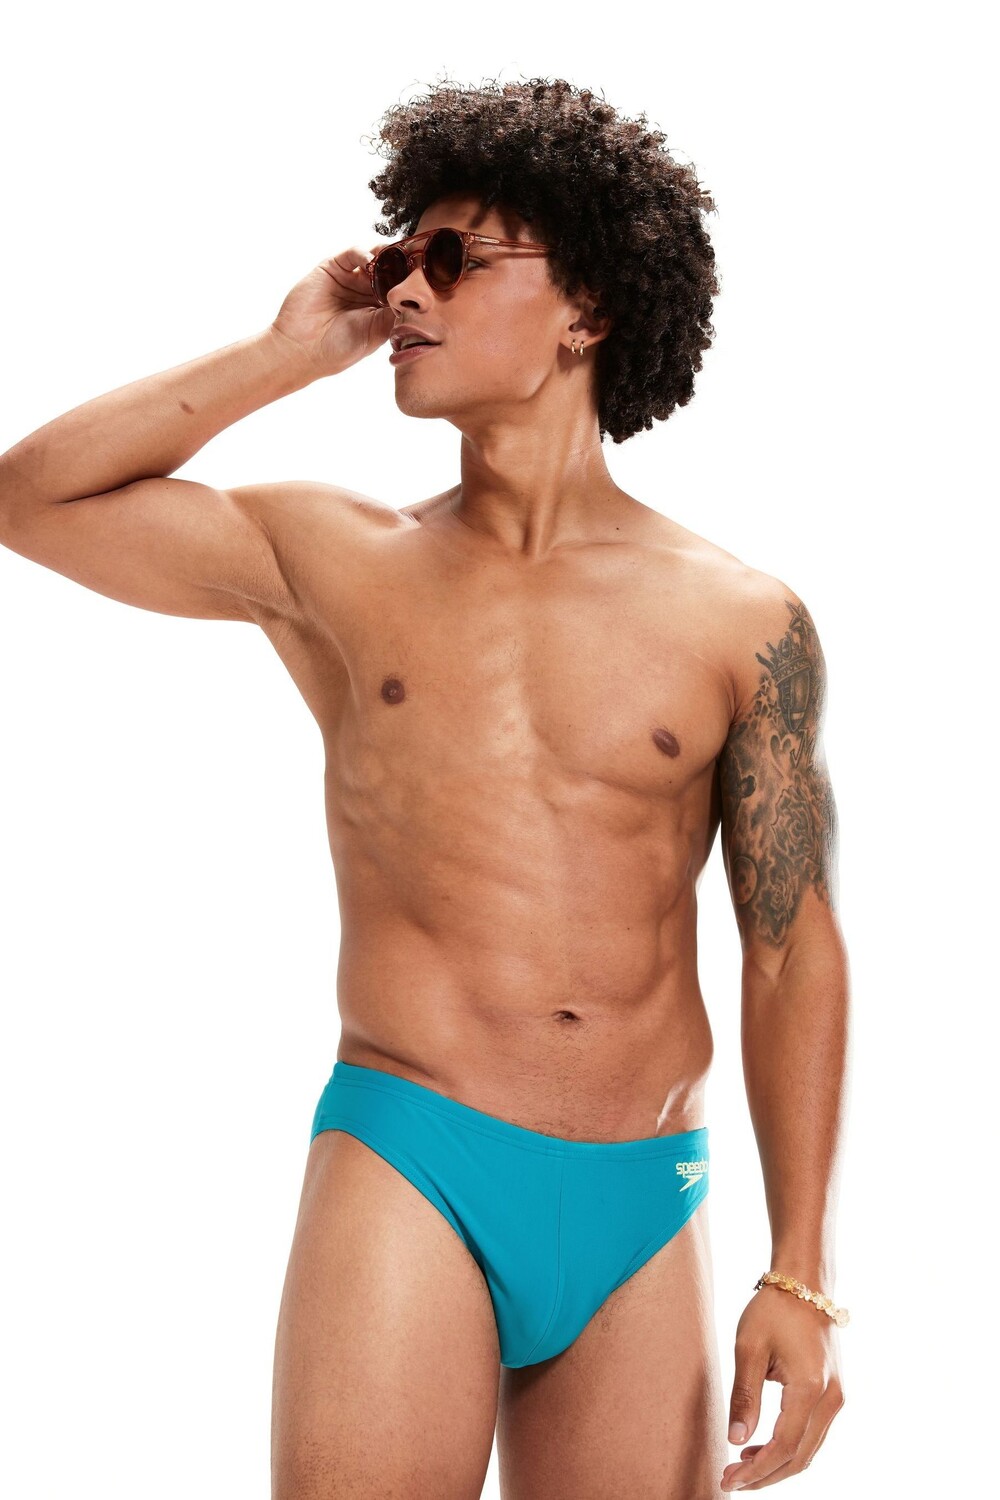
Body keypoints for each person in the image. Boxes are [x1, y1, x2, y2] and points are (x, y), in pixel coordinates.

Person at [0, 75, 850, 1500]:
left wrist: (803, 1274)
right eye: (403, 255)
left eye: (456, 256)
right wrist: (288, 353)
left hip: (646, 1193)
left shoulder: (742, 620)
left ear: (587, 308)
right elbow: (30, 498)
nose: (407, 288)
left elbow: (791, 943)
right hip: (414, 1153)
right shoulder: (336, 558)